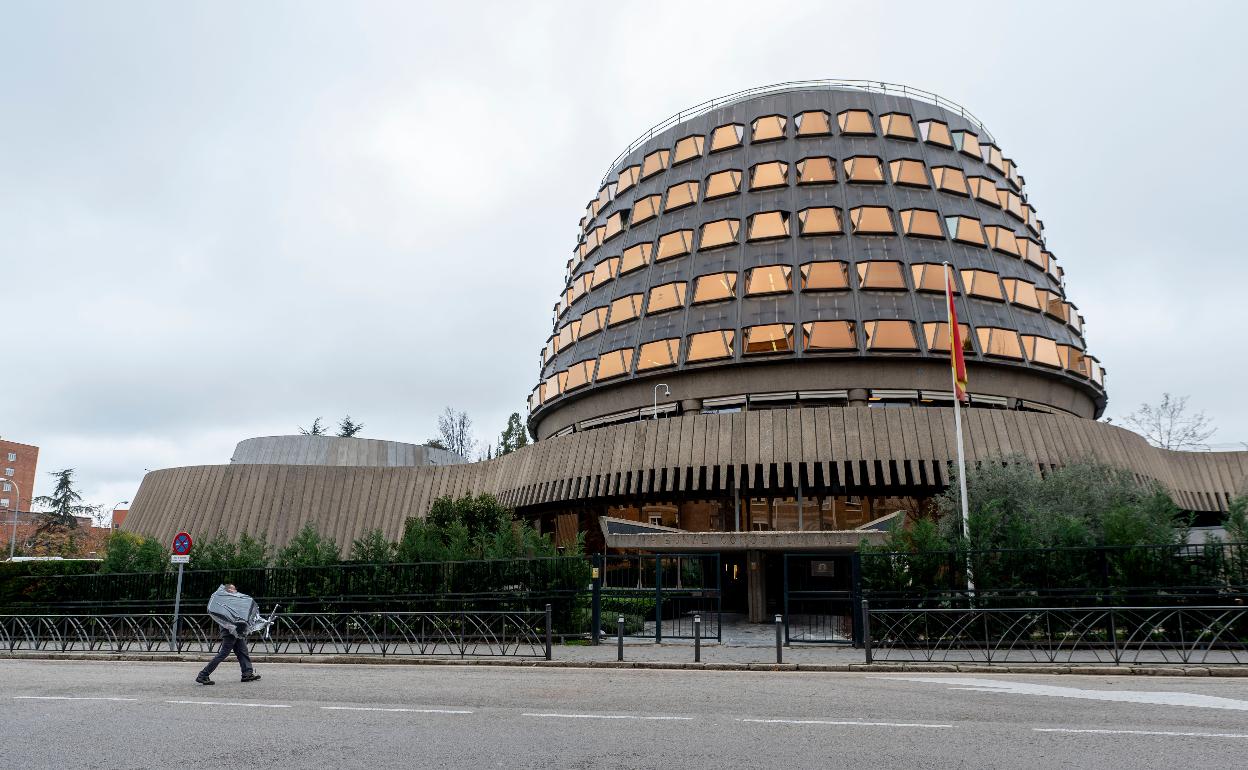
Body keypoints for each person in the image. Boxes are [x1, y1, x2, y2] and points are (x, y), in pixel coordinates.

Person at [196, 584, 261, 685]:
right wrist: (232, 627)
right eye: (232, 589)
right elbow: (223, 617)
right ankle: (203, 675)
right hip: (229, 631)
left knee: (243, 651)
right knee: (224, 653)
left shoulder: (233, 601)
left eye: (235, 589)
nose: (235, 591)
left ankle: (247, 674)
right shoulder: (222, 602)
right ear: (227, 590)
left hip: (238, 630)